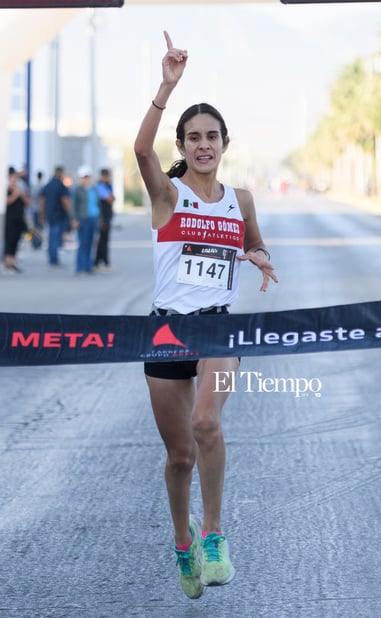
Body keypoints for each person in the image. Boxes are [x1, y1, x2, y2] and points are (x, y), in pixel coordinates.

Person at [134, 31, 278, 600]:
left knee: (206, 423)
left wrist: (259, 258)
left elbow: (256, 243)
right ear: (183, 143)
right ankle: (182, 538)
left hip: (218, 325)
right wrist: (166, 86)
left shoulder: (238, 199)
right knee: (179, 456)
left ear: (224, 142)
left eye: (211, 136)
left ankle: (215, 534)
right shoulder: (167, 194)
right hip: (167, 328)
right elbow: (141, 152)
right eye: (193, 137)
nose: (203, 145)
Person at [39, 166, 71, 267]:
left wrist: (42, 214)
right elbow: (65, 200)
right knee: (56, 238)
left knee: (52, 237)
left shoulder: (48, 185)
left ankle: (52, 258)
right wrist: (70, 213)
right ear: (61, 173)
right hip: (59, 215)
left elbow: (42, 201)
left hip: (50, 215)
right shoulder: (61, 186)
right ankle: (54, 260)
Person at [71, 165, 99, 275]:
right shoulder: (77, 190)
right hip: (83, 218)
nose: (86, 179)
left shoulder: (93, 189)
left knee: (91, 243)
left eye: (87, 177)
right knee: (83, 243)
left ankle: (88, 266)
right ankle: (80, 266)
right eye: (84, 177)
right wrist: (75, 219)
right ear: (80, 178)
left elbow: (98, 204)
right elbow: (74, 206)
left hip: (93, 218)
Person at [3, 167, 30, 273]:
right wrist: (15, 194)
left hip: (19, 220)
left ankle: (13, 262)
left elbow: (28, 203)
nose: (14, 182)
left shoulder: (20, 191)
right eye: (12, 180)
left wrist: (21, 194)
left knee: (16, 241)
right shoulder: (6, 191)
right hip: (9, 220)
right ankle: (7, 262)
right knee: (9, 242)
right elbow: (7, 202)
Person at [94, 168, 115, 271]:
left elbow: (112, 198)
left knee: (104, 240)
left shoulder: (107, 186)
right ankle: (100, 262)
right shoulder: (100, 186)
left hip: (107, 217)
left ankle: (101, 262)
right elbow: (110, 199)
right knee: (102, 241)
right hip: (102, 218)